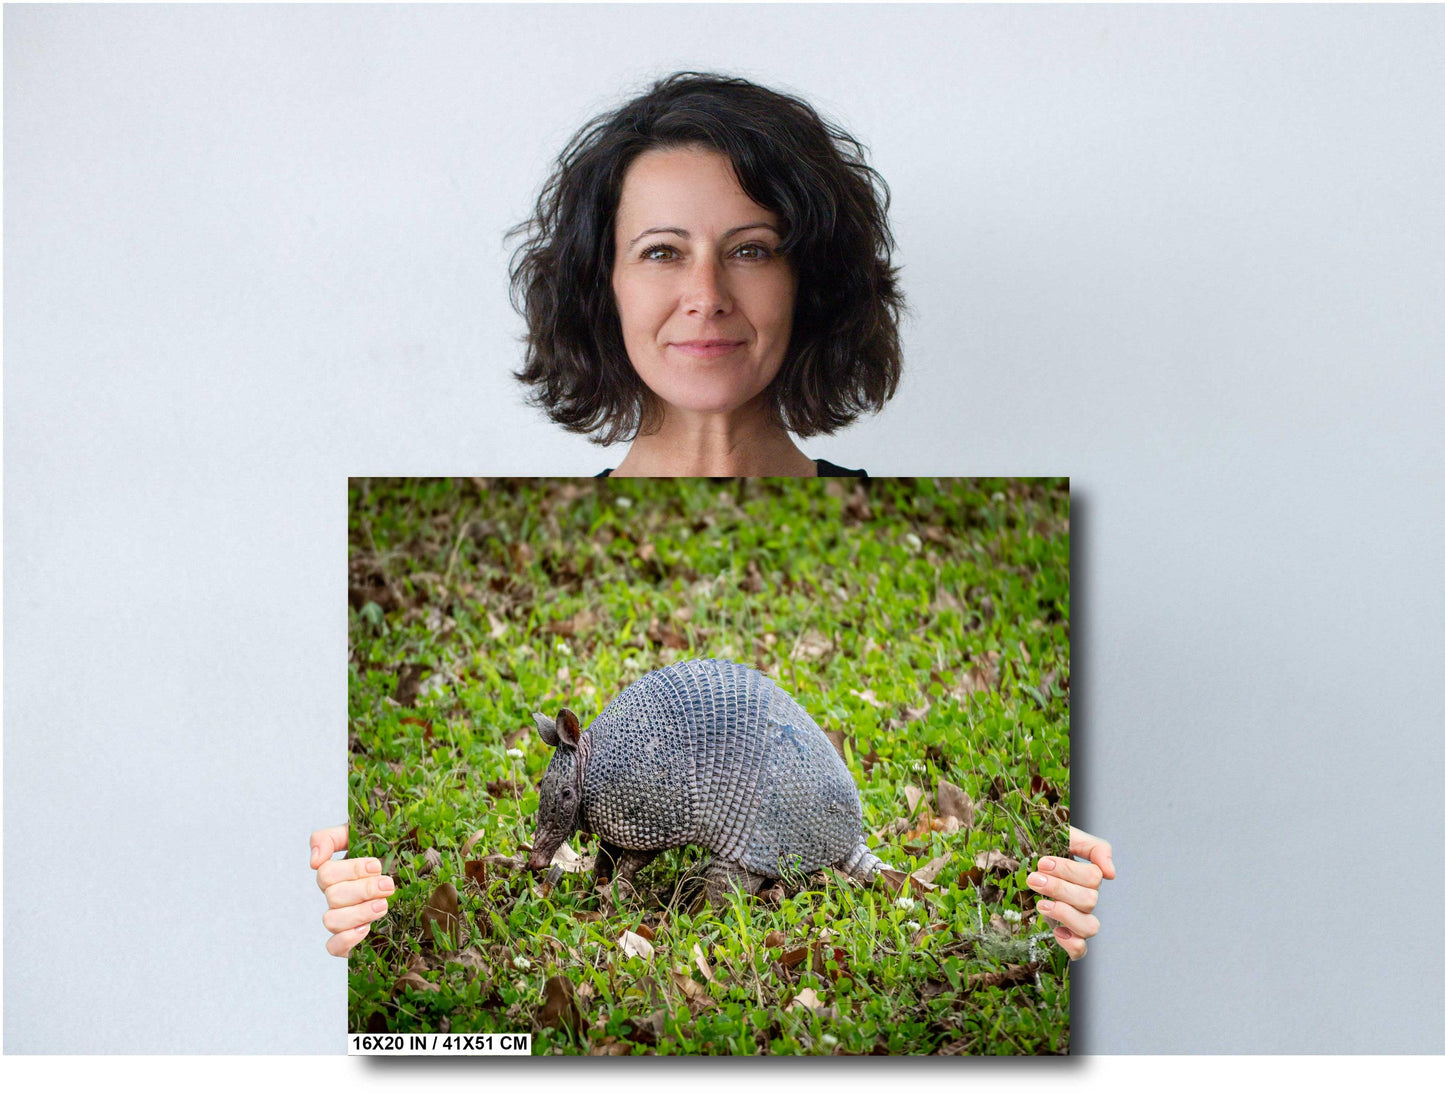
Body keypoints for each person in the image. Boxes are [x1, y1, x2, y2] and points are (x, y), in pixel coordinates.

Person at [314, 72, 1114, 959]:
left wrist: (1092, 921)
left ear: (808, 283)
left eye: (752, 248)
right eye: (660, 251)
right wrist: (344, 927)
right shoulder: (620, 746)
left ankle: (762, 870)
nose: (706, 293)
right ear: (602, 285)